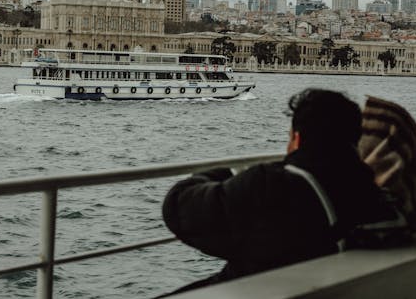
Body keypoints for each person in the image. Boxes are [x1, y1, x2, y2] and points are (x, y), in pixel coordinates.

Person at [160, 88, 403, 296]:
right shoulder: (374, 196)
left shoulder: (272, 187)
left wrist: (221, 174)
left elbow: (179, 208)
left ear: (296, 139)